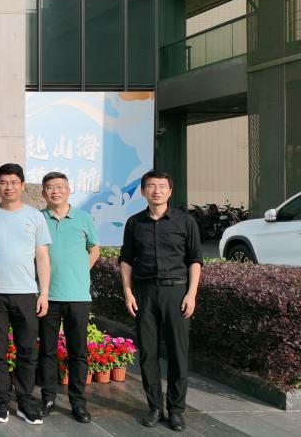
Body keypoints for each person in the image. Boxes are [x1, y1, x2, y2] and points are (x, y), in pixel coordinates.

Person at [120, 171, 202, 432]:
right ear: (143, 191)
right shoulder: (134, 223)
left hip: (176, 293)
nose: (157, 191)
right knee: (148, 353)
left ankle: (176, 410)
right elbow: (126, 259)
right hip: (145, 293)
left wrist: (191, 294)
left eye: (162, 186)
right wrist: (128, 292)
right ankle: (155, 406)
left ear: (170, 191)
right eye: (151, 186)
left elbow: (195, 260)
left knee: (178, 352)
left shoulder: (185, 222)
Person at [0, 163, 51, 425]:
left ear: (22, 185)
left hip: (26, 293)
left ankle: (25, 402)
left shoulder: (35, 217)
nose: (8, 187)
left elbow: (42, 257)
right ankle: (1, 402)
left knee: (27, 351)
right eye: (3, 182)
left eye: (13, 182)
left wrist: (43, 293)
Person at [38, 172, 99, 424]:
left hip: (77, 297)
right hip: (47, 296)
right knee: (47, 351)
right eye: (50, 187)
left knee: (78, 352)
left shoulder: (83, 218)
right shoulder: (38, 218)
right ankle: (48, 398)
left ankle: (78, 402)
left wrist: (81, 271)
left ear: (69, 189)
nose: (55, 191)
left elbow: (94, 248)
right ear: (43, 192)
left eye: (60, 187)